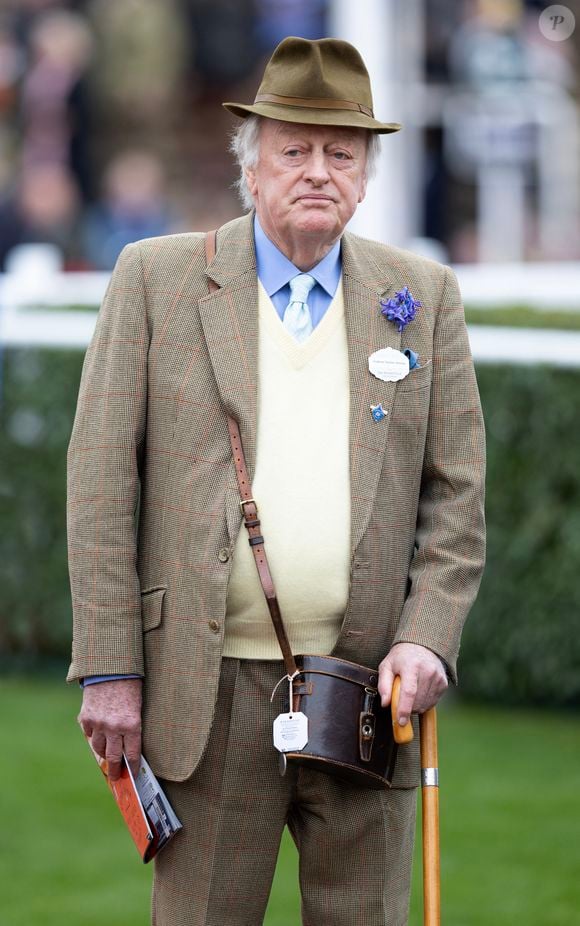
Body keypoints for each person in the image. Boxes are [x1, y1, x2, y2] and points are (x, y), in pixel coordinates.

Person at [68, 37, 485, 926]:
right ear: (249, 168)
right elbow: (101, 482)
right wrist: (110, 667)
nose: (317, 172)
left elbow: (457, 499)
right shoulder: (156, 279)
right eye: (293, 149)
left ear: (366, 177)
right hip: (202, 693)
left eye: (341, 153)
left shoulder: (424, 297)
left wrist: (428, 637)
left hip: (370, 693)